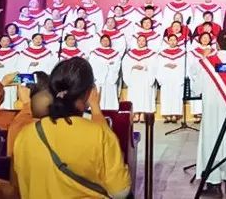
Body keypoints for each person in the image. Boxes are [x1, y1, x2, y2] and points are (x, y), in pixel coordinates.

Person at [12, 58, 131, 199]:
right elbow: (120, 192)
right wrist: (96, 109)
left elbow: (16, 187)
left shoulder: (26, 134)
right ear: (89, 93)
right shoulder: (99, 134)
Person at [192, 31, 226, 196]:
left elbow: (196, 89)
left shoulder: (205, 63)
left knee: (211, 142)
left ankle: (214, 185)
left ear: (217, 44)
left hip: (211, 111)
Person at [122, 33, 158, 121]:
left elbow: (154, 65)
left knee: (145, 94)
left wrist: (145, 66)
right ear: (137, 42)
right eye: (139, 40)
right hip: (134, 76)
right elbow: (125, 64)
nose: (141, 42)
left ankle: (143, 114)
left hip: (145, 76)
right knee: (135, 94)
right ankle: (136, 113)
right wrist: (133, 66)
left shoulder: (151, 53)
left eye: (143, 41)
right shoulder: (130, 53)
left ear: (146, 42)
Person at [156, 33, 185, 123]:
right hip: (166, 77)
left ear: (177, 41)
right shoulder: (162, 53)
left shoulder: (182, 52)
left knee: (176, 95)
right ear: (168, 41)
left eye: (174, 40)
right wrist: (160, 78)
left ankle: (175, 115)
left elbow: (184, 65)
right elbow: (158, 66)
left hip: (177, 77)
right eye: (171, 40)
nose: (172, 42)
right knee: (166, 95)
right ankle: (167, 115)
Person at [88, 34, 123, 110]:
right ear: (100, 42)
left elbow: (117, 64)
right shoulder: (95, 53)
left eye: (107, 40)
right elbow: (93, 64)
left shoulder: (115, 53)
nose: (105, 42)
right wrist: (106, 64)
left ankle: (111, 109)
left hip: (110, 76)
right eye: (103, 40)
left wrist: (109, 66)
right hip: (99, 76)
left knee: (110, 92)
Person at [188, 31, 216, 123]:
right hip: (197, 76)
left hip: (209, 77)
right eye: (203, 37)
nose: (205, 39)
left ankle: (207, 114)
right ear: (200, 39)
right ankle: (198, 114)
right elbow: (190, 65)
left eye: (207, 38)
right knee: (196, 93)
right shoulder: (194, 52)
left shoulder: (214, 52)